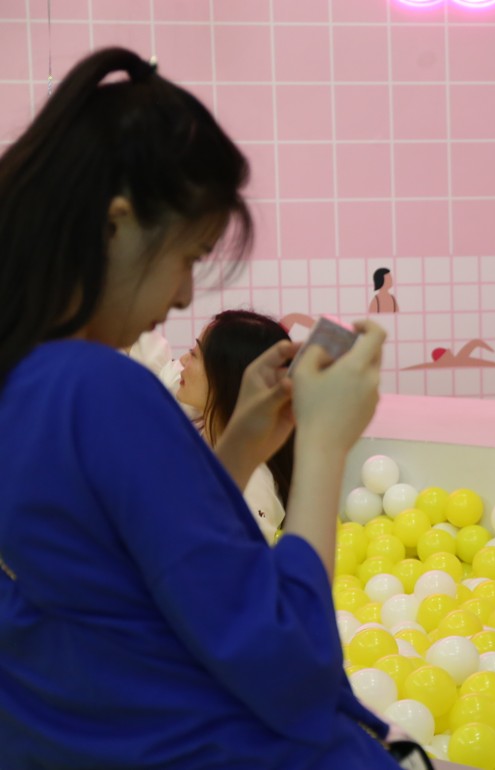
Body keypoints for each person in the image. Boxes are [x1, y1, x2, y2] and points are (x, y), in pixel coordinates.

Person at [0, 48, 400, 768]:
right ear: (116, 225)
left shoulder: (25, 383)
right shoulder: (96, 387)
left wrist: (240, 445)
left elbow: (119, 578)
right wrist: (323, 448)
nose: (185, 296)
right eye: (189, 256)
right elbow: (294, 664)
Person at [177, 309, 295, 542]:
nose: (182, 360)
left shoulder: (252, 483)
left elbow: (243, 567)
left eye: (194, 354)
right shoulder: (202, 430)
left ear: (225, 379)